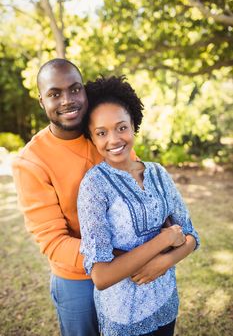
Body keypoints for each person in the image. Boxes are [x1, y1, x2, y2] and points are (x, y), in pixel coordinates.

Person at [78, 76, 200, 336]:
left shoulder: (158, 173)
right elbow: (101, 276)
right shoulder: (94, 185)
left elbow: (191, 235)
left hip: (165, 300)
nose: (114, 139)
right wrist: (164, 239)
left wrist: (164, 262)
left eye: (121, 127)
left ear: (133, 124)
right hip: (123, 314)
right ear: (91, 137)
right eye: (101, 132)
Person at [12, 58, 103, 336]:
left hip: (128, 266)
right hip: (77, 278)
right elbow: (55, 242)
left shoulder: (105, 132)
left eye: (75, 89)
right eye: (55, 94)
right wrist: (121, 257)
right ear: (42, 101)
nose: (67, 100)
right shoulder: (31, 162)